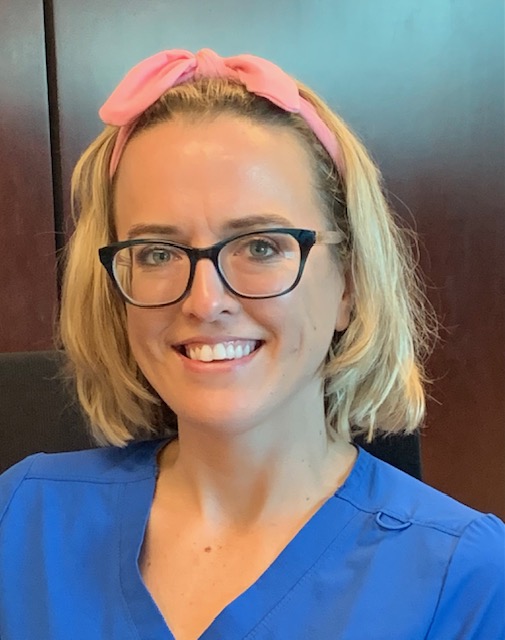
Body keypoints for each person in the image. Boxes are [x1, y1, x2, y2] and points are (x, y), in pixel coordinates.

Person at [0, 48, 503, 640]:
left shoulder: (466, 578)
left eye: (261, 246)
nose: (205, 302)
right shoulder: (20, 519)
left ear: (349, 283)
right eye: (158, 253)